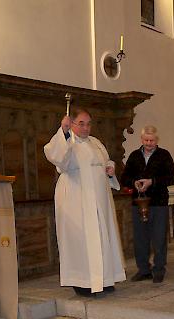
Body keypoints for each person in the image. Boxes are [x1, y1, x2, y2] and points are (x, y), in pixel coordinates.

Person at [44, 108, 126, 296]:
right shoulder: (67, 142)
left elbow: (107, 161)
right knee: (81, 241)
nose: (86, 127)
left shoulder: (95, 142)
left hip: (99, 200)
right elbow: (56, 157)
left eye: (88, 123)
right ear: (71, 124)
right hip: (76, 199)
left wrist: (110, 168)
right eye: (81, 123)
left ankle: (105, 279)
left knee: (102, 237)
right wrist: (63, 132)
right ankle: (82, 282)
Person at [121, 125, 174, 283]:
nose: (149, 143)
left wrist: (152, 182)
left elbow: (172, 178)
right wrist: (135, 183)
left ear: (156, 140)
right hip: (138, 203)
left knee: (159, 238)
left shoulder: (164, 155)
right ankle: (143, 269)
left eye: (152, 140)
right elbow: (124, 178)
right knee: (140, 238)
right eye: (146, 140)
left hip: (158, 203)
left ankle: (159, 269)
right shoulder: (134, 156)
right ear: (141, 139)